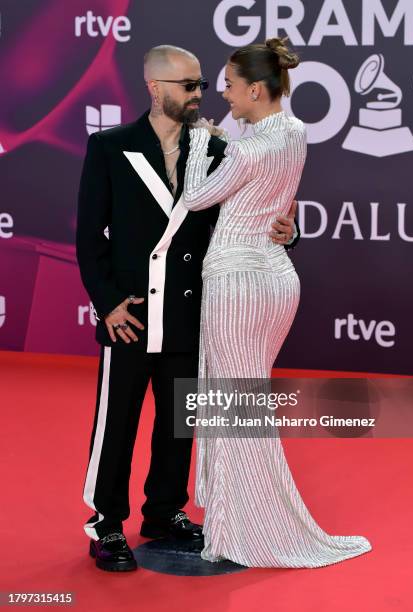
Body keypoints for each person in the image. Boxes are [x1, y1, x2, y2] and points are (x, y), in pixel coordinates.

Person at [76, 44, 299, 572]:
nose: (201, 95)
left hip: (190, 312)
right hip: (130, 315)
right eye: (190, 86)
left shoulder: (222, 151)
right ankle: (105, 523)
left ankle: (164, 512)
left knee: (178, 424)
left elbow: (256, 213)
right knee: (118, 424)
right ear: (155, 89)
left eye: (204, 84)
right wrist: (107, 305)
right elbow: (89, 239)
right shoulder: (111, 147)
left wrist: (289, 234)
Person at [183, 37, 372, 567]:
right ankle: (235, 519)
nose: (222, 92)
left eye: (229, 84)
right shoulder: (294, 132)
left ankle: (252, 530)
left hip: (238, 284)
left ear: (256, 89)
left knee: (234, 408)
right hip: (276, 281)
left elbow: (196, 197)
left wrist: (201, 142)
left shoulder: (246, 148)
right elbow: (264, 187)